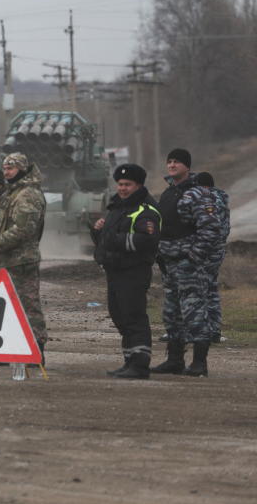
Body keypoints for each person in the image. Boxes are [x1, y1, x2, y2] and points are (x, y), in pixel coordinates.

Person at [152, 149, 222, 377]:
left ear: (187, 167)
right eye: (169, 161)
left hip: (188, 264)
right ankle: (175, 360)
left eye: (177, 162)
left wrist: (194, 256)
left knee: (194, 312)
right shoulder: (169, 193)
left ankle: (200, 363)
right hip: (170, 263)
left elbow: (211, 228)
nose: (172, 165)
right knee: (172, 314)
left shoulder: (197, 194)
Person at [90, 164, 161, 379]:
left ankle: (140, 365)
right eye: (120, 184)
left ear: (138, 185)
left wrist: (115, 240)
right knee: (119, 315)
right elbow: (106, 241)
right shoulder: (117, 208)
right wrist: (98, 232)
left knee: (133, 316)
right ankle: (130, 360)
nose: (122, 188)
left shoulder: (146, 210)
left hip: (134, 271)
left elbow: (147, 240)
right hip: (115, 271)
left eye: (127, 185)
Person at [0, 153, 48, 357]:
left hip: (22, 260)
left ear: (21, 169)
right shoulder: (13, 192)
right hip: (9, 259)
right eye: (4, 169)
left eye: (10, 168)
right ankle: (9, 348)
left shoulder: (27, 194)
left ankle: (36, 349)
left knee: (28, 305)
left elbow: (23, 229)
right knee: (7, 306)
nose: (6, 172)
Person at [194, 171, 231, 344]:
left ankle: (206, 330)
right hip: (216, 250)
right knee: (210, 289)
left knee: (204, 289)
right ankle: (213, 330)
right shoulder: (219, 199)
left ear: (205, 186)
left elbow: (210, 229)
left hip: (209, 251)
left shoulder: (211, 201)